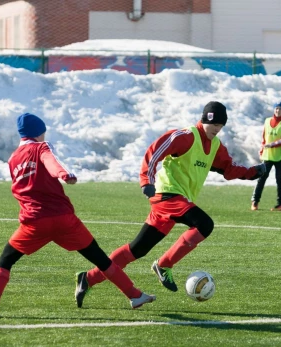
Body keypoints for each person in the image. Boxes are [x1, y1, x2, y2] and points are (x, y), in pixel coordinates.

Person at [73, 101, 266, 300]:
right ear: (204, 119)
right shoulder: (186, 136)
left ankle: (88, 278)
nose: (216, 129)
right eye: (213, 124)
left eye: (220, 126)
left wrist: (254, 173)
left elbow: (229, 169)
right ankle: (164, 264)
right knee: (204, 224)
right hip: (167, 195)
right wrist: (146, 180)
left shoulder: (215, 146)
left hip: (175, 203)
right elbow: (154, 151)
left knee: (137, 249)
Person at [0, 113, 155, 317]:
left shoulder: (13, 158)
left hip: (34, 222)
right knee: (101, 259)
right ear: (38, 132)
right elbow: (50, 161)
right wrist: (63, 174)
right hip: (63, 219)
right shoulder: (42, 147)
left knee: (6, 260)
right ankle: (134, 295)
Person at [250, 101, 281, 211]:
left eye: (280, 109)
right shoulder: (267, 121)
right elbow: (264, 137)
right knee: (262, 177)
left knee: (280, 179)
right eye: (276, 108)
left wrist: (272, 144)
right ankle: (255, 201)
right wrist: (262, 150)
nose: (278, 111)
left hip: (280, 157)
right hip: (267, 156)